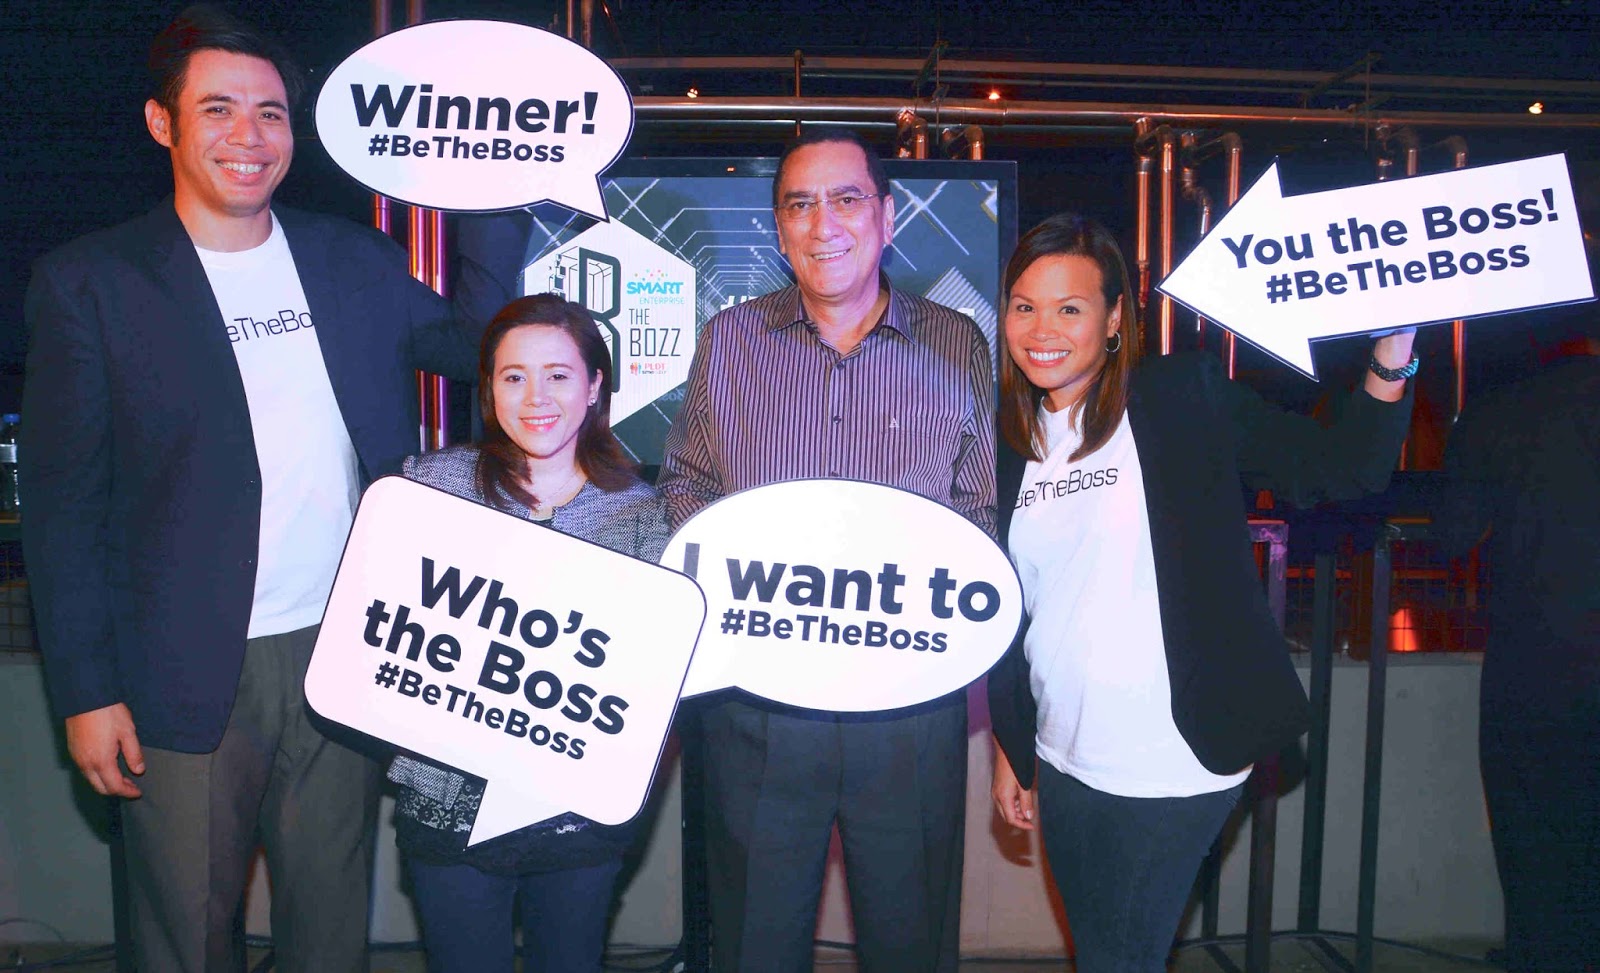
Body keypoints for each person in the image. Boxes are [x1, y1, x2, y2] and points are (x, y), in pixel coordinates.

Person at [20, 7, 521, 972]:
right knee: (184, 935)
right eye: (218, 109)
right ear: (163, 123)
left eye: (271, 113)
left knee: (331, 929)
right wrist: (86, 693)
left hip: (345, 649)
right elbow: (62, 512)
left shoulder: (353, 260)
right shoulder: (91, 283)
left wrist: (500, 193)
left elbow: (476, 347)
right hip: (177, 670)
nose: (249, 136)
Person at [987, 213, 1416, 971]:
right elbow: (1018, 613)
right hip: (1063, 751)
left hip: (1173, 754)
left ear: (1114, 320)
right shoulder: (1013, 444)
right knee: (1101, 953)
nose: (1041, 329)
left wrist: (1393, 351)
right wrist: (1012, 745)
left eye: (1069, 307)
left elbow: (1343, 466)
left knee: (1119, 959)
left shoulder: (1179, 398)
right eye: (1025, 306)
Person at [658, 126, 994, 972]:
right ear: (779, 230)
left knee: (911, 945)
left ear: (886, 216)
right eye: (800, 205)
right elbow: (686, 486)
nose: (824, 224)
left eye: (846, 199)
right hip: (759, 706)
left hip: (908, 706)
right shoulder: (730, 340)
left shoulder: (959, 341)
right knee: (753, 945)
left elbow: (979, 511)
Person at [387, 293, 669, 973]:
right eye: (514, 376)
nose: (536, 397)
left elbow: (649, 680)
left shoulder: (640, 514)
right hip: (448, 804)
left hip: (579, 815)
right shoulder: (429, 487)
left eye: (558, 375)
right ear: (489, 388)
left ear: (595, 386)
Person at [1436, 313, 1600, 973]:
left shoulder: (1501, 412)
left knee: (1533, 824)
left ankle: (1543, 953)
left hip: (1538, 654)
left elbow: (1452, 535)